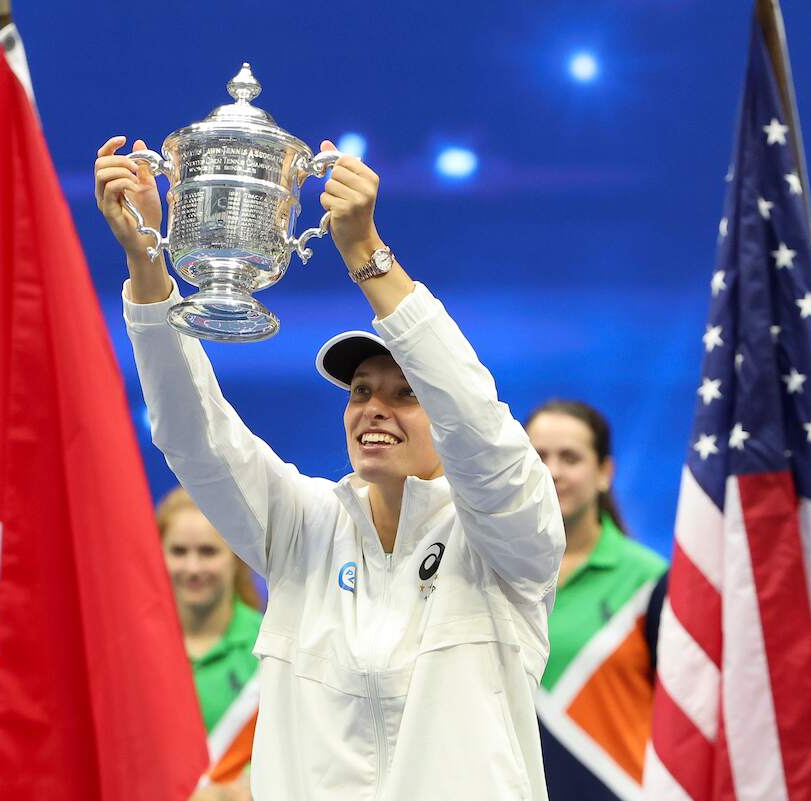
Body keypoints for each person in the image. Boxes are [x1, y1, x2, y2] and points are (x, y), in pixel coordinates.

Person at [96, 134, 565, 800]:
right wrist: (146, 259)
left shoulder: (505, 539)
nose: (376, 408)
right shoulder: (304, 526)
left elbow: (478, 423)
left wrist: (367, 257)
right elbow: (193, 434)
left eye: (407, 394)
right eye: (361, 391)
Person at [524, 401, 668, 800]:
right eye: (538, 457)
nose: (552, 472)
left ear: (605, 472)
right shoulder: (491, 576)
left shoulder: (649, 582)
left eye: (570, 458)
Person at [157, 487, 262, 801]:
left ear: (237, 556)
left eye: (207, 552)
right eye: (178, 552)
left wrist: (247, 788)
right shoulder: (130, 652)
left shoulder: (272, 647)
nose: (192, 568)